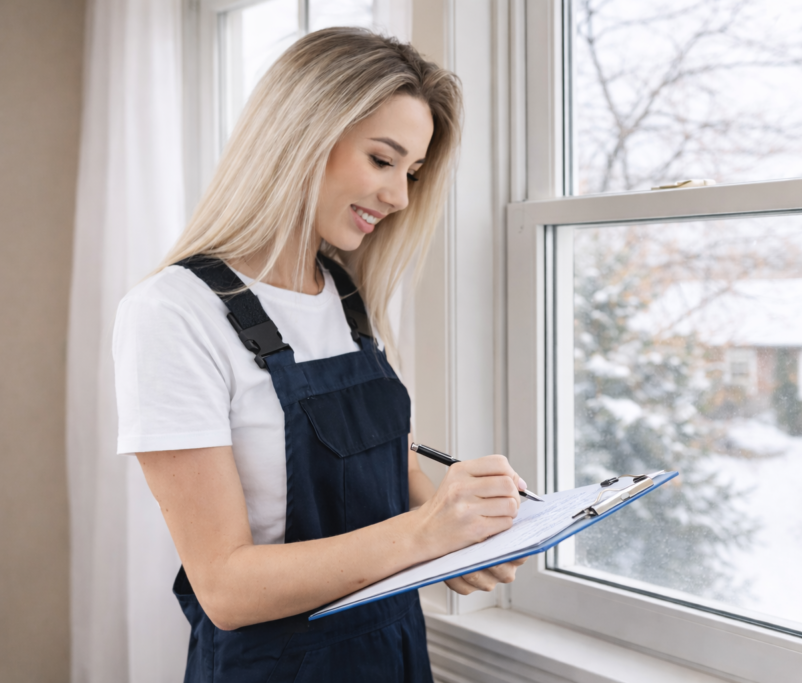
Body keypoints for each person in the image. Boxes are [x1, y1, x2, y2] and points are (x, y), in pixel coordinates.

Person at [113, 28, 528, 682]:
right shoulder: (172, 312)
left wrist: (467, 525)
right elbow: (224, 586)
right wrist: (428, 534)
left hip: (393, 655)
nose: (400, 198)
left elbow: (391, 476)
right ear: (302, 135)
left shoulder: (346, 295)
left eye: (413, 172)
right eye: (383, 160)